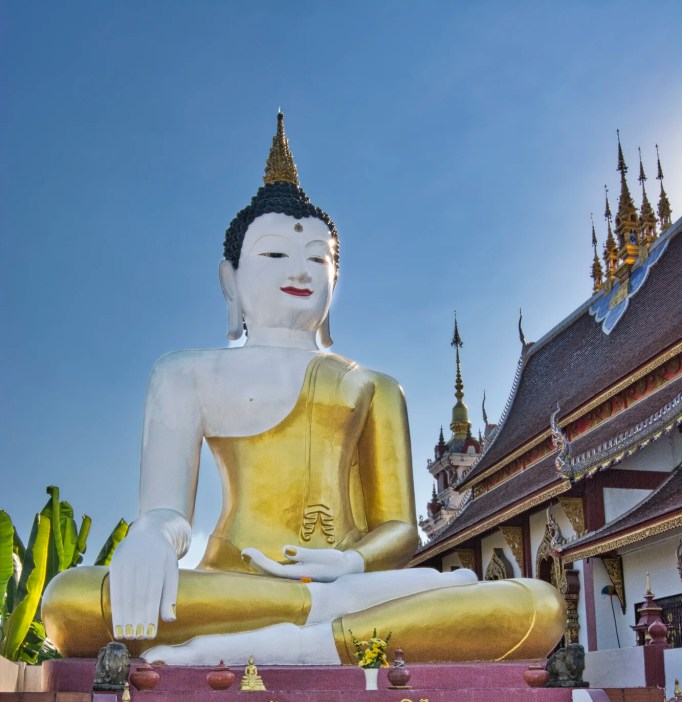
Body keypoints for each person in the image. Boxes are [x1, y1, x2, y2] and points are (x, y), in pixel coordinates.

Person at [43, 114, 565, 665]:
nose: (300, 270)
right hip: (234, 585)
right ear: (231, 280)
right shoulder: (185, 372)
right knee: (72, 602)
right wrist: (151, 537)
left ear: (335, 278)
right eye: (274, 255)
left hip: (346, 582)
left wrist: (352, 565)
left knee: (538, 606)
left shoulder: (373, 385)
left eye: (318, 258)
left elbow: (399, 529)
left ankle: (300, 642)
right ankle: (343, 620)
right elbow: (169, 512)